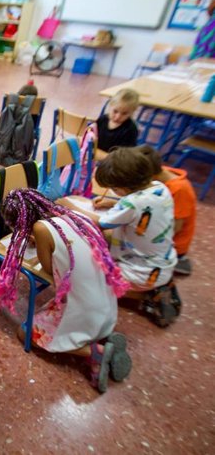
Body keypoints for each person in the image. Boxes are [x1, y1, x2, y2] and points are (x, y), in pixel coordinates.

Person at [0, 189, 131, 392]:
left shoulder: (41, 229)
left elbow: (47, 269)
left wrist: (37, 241)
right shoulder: (75, 216)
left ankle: (94, 352)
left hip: (84, 312)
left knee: (25, 332)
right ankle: (102, 337)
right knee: (59, 307)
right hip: (108, 307)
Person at [68, 147, 179, 327]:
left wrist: (69, 205)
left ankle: (144, 295)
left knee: (87, 282)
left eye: (113, 189)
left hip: (140, 272)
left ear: (124, 188)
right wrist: (114, 202)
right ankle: (153, 286)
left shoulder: (132, 203)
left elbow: (100, 222)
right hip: (163, 262)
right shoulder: (160, 187)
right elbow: (140, 203)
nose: (112, 192)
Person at [138, 145, 196, 275]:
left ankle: (178, 261)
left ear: (150, 176)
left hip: (172, 245)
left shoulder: (180, 189)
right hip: (158, 227)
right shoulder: (160, 172)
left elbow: (176, 228)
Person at [92, 88, 139, 158]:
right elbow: (92, 138)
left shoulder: (130, 129)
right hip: (95, 157)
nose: (117, 117)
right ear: (110, 105)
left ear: (132, 112)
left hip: (114, 163)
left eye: (124, 113)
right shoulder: (102, 120)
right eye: (115, 111)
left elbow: (124, 157)